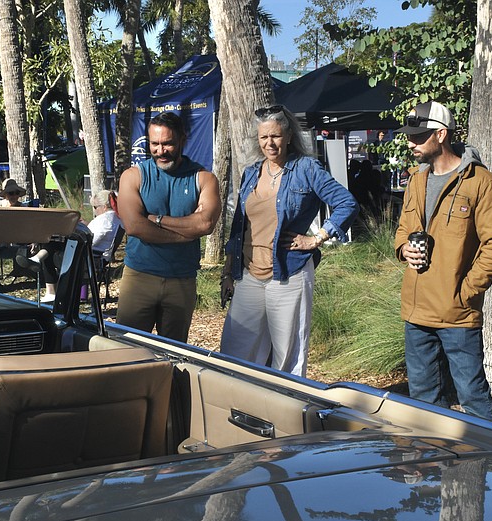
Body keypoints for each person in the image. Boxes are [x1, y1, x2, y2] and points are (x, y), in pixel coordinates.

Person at [394, 100, 492, 422]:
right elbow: (403, 230)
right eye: (410, 136)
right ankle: (436, 467)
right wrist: (404, 248)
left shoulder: (481, 182)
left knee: (474, 398)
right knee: (423, 400)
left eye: (419, 137)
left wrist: (466, 290)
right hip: (416, 310)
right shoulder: (416, 180)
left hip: (457, 314)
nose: (411, 143)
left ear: (441, 135)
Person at [219, 104, 358, 377]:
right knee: (235, 350)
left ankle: (284, 409)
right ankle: (242, 402)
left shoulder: (306, 169)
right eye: (263, 137)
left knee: (286, 355)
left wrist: (317, 238)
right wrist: (227, 271)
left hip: (288, 271)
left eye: (275, 136)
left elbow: (346, 203)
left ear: (289, 136)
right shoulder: (251, 173)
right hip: (248, 272)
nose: (269, 143)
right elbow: (239, 227)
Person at [116, 112, 221, 342]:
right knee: (126, 348)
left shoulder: (203, 178)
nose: (160, 151)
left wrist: (157, 219)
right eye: (155, 144)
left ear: (183, 139)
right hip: (139, 277)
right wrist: (185, 235)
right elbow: (134, 226)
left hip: (182, 280)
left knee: (174, 353)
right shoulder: (133, 176)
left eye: (168, 143)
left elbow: (205, 223)